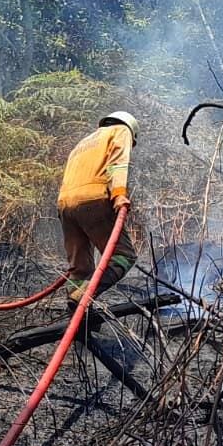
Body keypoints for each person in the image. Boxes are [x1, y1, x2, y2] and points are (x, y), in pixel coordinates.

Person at [58, 111, 139, 306]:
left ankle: (78, 325)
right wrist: (119, 194)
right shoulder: (120, 130)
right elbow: (117, 164)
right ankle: (85, 294)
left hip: (65, 204)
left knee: (79, 268)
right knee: (123, 255)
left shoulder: (83, 143)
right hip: (94, 200)